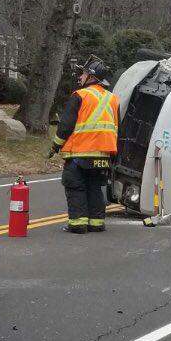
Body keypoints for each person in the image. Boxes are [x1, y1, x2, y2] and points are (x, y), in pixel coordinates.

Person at [51, 59, 119, 234]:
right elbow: (118, 127)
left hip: (80, 153)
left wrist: (55, 146)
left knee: (75, 186)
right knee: (95, 187)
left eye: (83, 73)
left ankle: (78, 224)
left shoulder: (79, 96)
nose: (80, 77)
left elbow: (65, 126)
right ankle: (96, 223)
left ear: (91, 76)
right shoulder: (113, 99)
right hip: (103, 155)